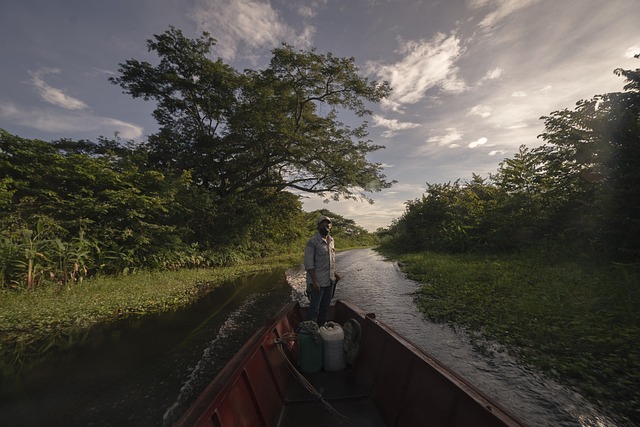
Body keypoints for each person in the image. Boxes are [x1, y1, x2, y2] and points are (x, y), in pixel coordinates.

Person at [304, 215, 341, 326]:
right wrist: (314, 281)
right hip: (318, 283)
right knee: (314, 308)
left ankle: (321, 328)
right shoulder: (313, 242)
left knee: (325, 307)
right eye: (322, 225)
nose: (325, 226)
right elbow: (308, 263)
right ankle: (312, 331)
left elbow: (328, 261)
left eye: (327, 224)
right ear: (318, 227)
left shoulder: (331, 240)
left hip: (330, 281)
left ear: (331, 226)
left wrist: (334, 274)